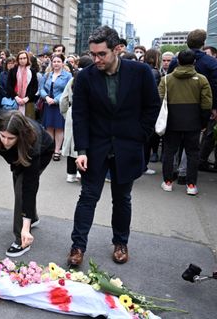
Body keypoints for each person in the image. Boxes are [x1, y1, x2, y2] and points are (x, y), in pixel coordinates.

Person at [68, 26, 160, 267]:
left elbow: (152, 107)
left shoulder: (140, 72)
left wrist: (141, 135)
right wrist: (82, 150)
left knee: (122, 199)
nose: (96, 59)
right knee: (87, 197)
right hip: (95, 148)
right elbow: (80, 115)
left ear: (117, 49)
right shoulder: (86, 76)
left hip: (128, 147)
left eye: (102, 54)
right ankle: (77, 246)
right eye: (93, 54)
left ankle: (121, 243)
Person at [0, 111, 54, 257]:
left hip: (42, 152)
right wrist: (16, 166)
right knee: (18, 183)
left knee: (22, 190)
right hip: (18, 155)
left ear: (20, 135)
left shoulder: (32, 142)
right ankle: (32, 217)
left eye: (10, 138)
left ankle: (21, 238)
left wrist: (25, 228)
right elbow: (7, 154)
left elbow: (30, 187)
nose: (6, 141)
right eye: (3, 136)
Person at [159, 50, 212, 195]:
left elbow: (160, 99)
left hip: (171, 121)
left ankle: (168, 182)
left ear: (178, 62)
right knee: (192, 153)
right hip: (194, 121)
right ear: (194, 62)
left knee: (169, 151)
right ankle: (191, 185)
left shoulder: (166, 79)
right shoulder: (202, 80)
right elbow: (207, 103)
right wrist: (203, 122)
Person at [39, 53, 72, 161]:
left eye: (58, 61)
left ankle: (57, 150)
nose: (56, 64)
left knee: (59, 128)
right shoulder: (47, 74)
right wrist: (47, 97)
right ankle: (50, 148)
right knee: (48, 127)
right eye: (54, 62)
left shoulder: (68, 76)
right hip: (48, 104)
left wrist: (56, 100)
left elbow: (67, 91)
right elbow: (41, 89)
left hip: (60, 105)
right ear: (51, 63)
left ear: (63, 63)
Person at [7, 51, 39, 119]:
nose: (22, 60)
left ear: (27, 59)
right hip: (15, 101)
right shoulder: (13, 70)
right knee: (14, 122)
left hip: (29, 101)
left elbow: (35, 87)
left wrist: (26, 98)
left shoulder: (32, 71)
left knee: (29, 123)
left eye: (24, 58)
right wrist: (16, 97)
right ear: (18, 60)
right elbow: (9, 85)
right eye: (20, 58)